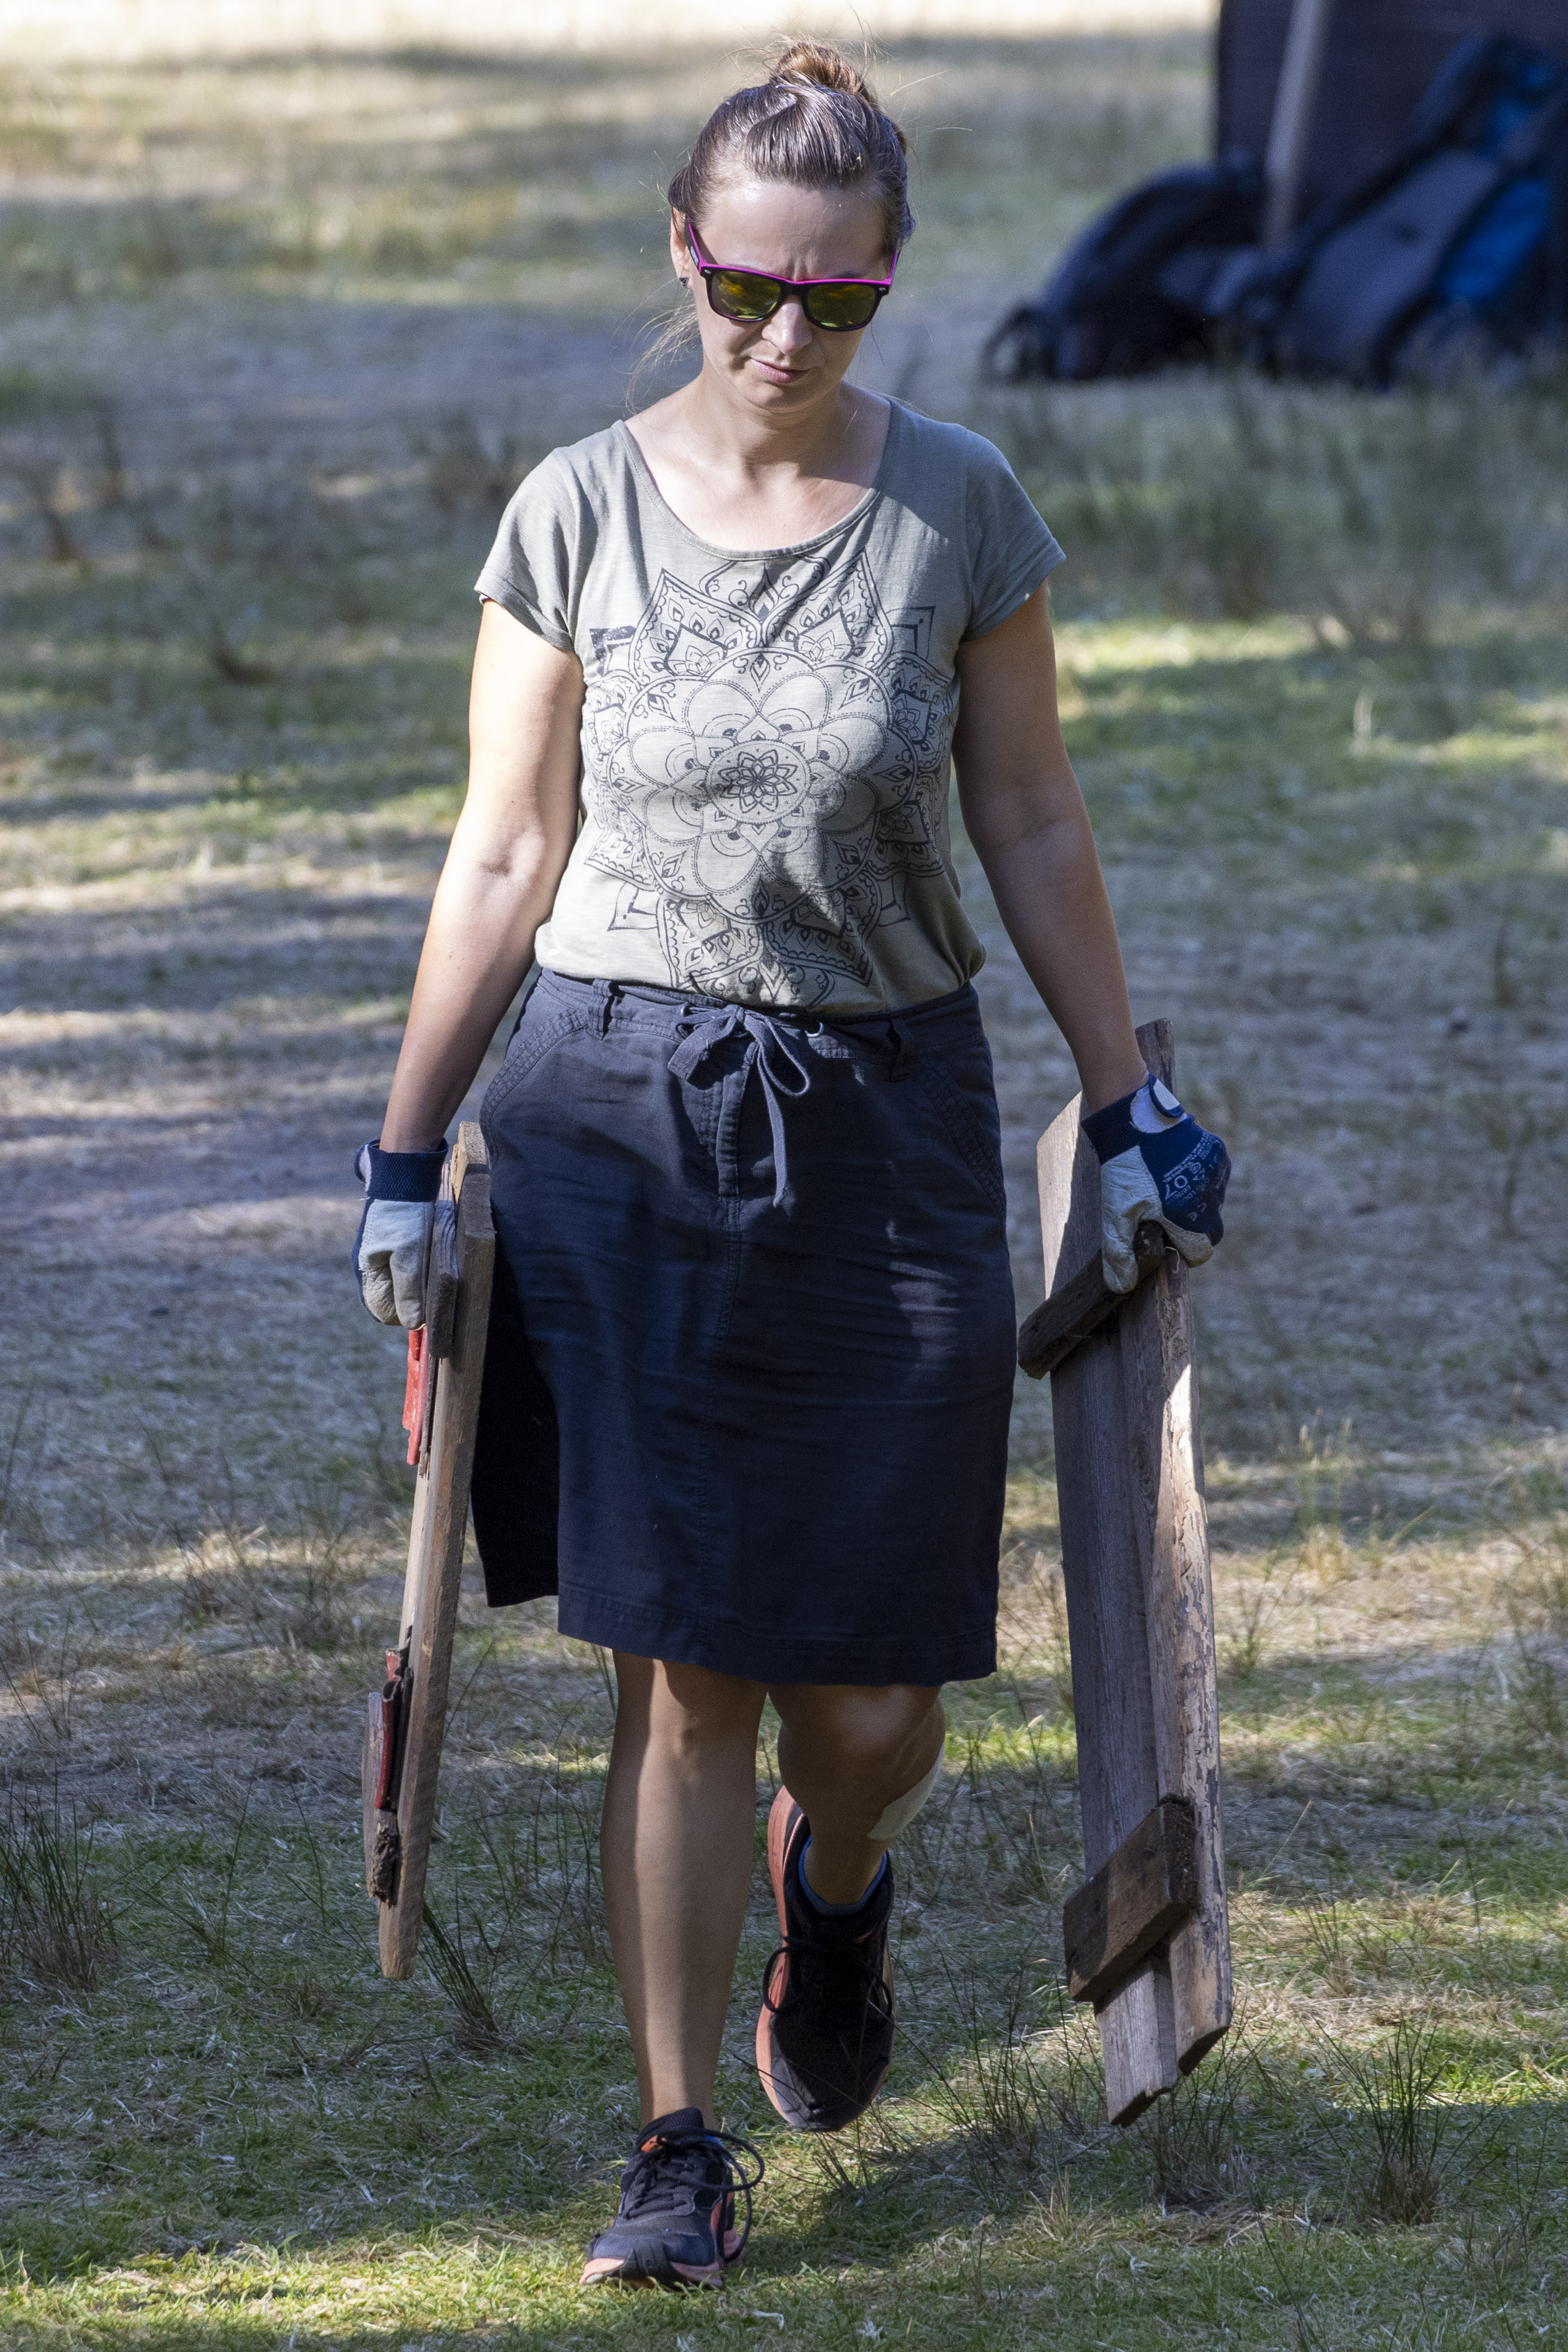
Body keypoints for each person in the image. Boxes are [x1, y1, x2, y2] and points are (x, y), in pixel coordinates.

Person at [353, 41, 1229, 2289]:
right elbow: (503, 847)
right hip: (618, 1115)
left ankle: (832, 1889)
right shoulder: (571, 512)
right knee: (686, 1667)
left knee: (868, 1699)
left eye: (836, 300)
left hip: (884, 1124)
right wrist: (405, 1145)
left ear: (888, 286)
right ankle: (674, 2142)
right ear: (685, 251)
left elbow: (1029, 816)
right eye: (748, 287)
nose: (783, 334)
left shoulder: (960, 511)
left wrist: (1123, 1099)